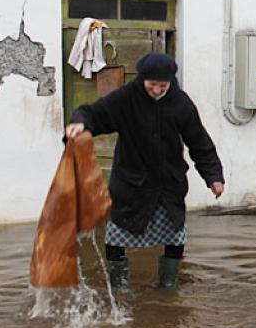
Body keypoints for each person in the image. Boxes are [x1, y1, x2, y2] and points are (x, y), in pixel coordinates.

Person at [65, 52, 224, 290]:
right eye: (152, 85)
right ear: (142, 79)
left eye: (163, 86)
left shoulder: (181, 103)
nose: (157, 90)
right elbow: (93, 113)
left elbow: (199, 142)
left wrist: (213, 177)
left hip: (168, 184)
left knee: (175, 235)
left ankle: (167, 285)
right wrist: (80, 123)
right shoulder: (127, 98)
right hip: (131, 182)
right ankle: (119, 287)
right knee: (117, 234)